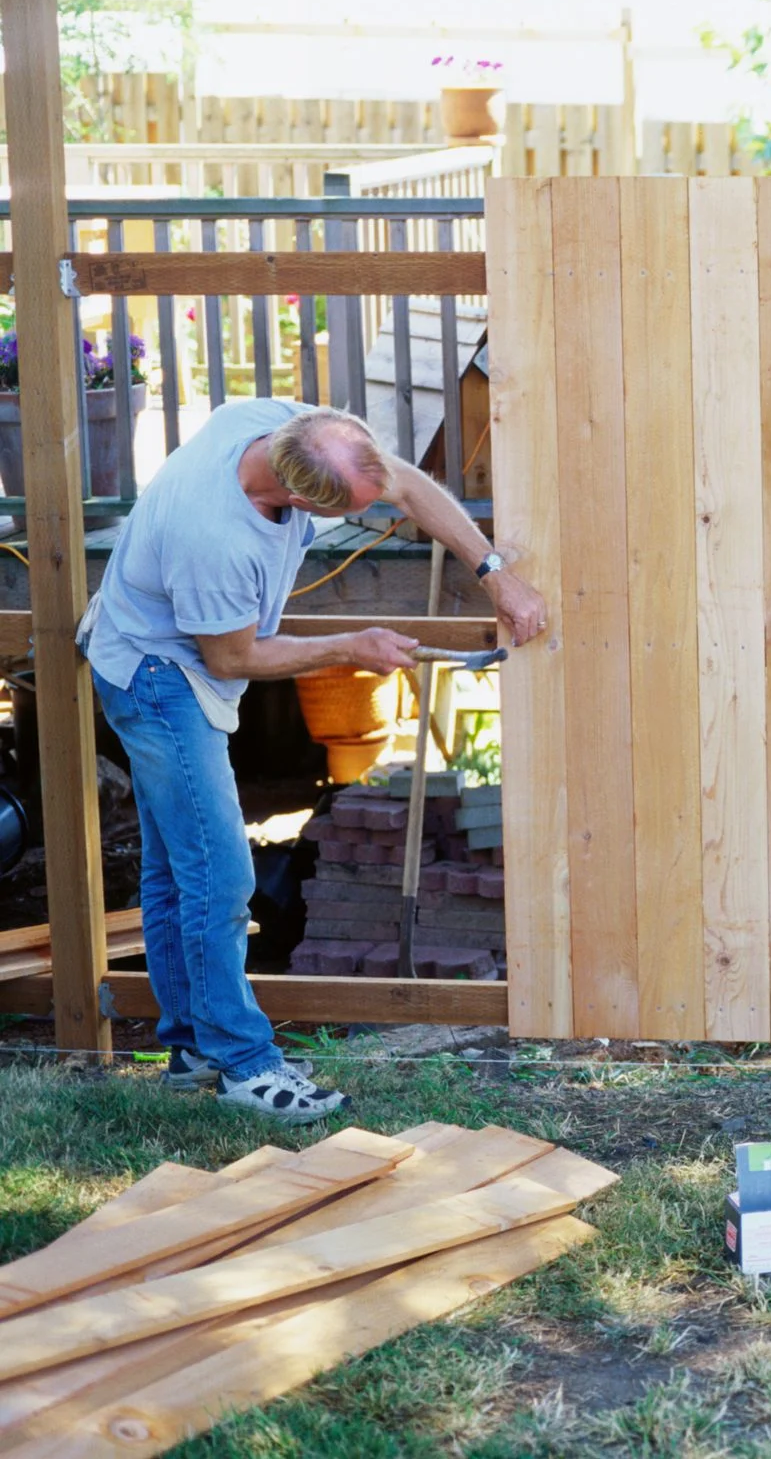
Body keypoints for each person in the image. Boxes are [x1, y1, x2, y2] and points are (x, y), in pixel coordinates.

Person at [78, 401, 546, 1120]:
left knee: (178, 868)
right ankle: (242, 1064)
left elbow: (407, 486)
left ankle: (194, 1047)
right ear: (297, 498)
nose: (379, 499)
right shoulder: (216, 537)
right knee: (220, 875)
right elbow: (233, 655)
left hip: (163, 653)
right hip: (157, 676)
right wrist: (347, 647)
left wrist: (494, 573)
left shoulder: (284, 424)